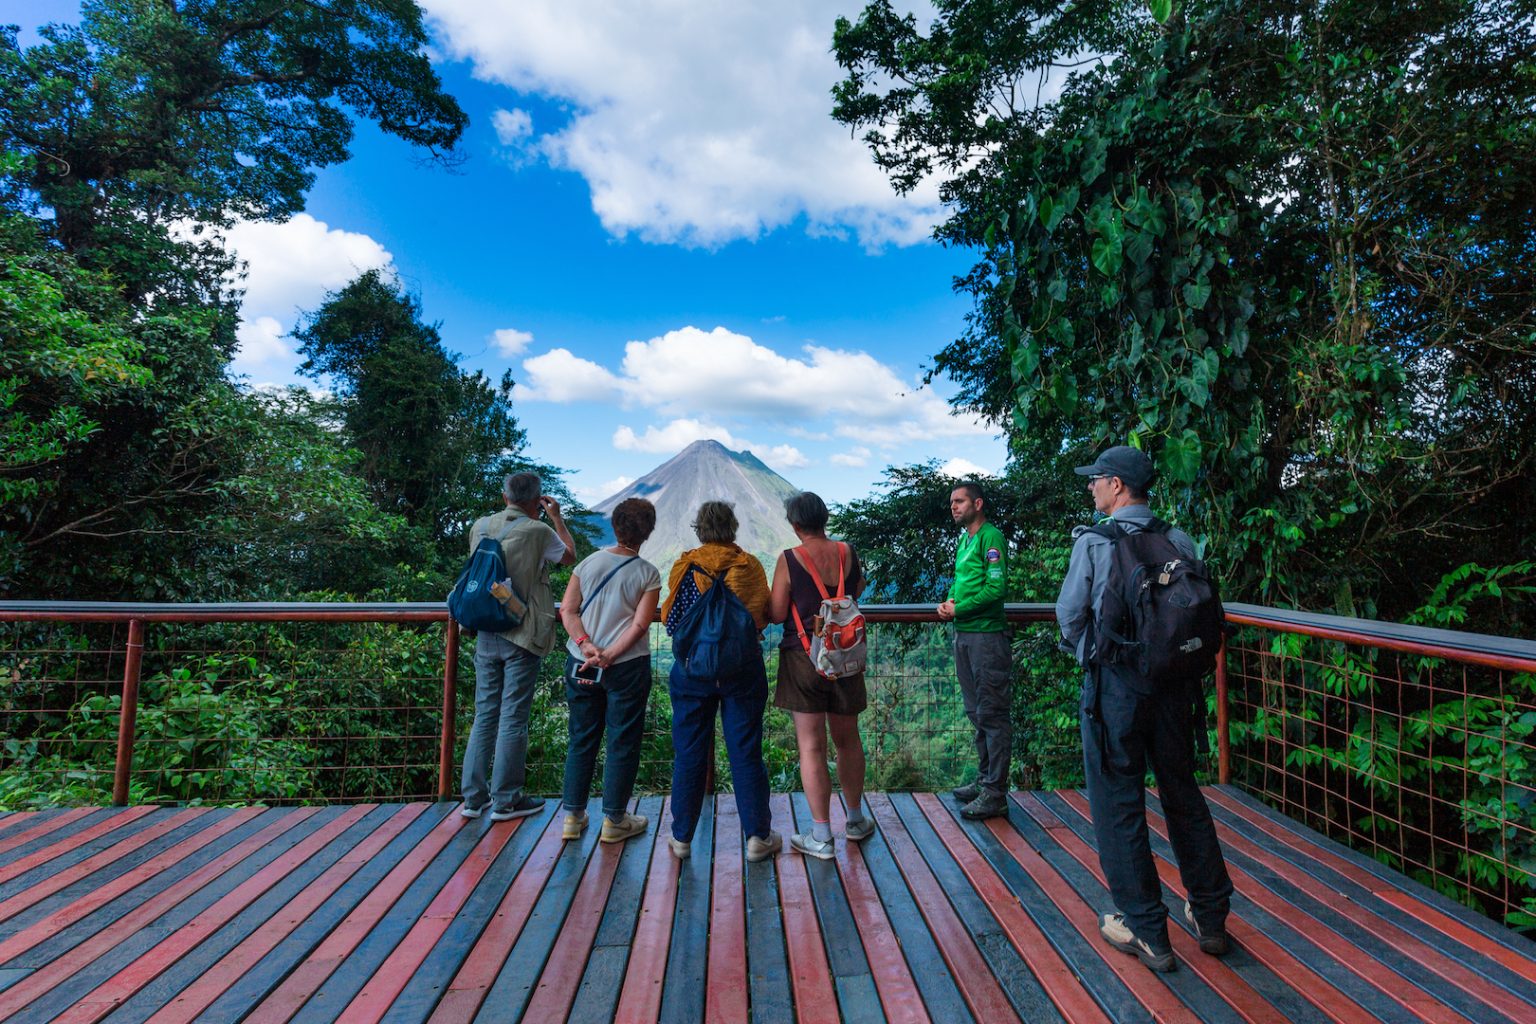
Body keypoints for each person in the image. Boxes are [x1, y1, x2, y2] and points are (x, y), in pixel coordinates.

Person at [1055, 445, 1233, 973]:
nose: (1091, 487)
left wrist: (1098, 659)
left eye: (1096, 479)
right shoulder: (1178, 539)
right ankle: (1211, 917)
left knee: (1119, 802)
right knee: (1183, 794)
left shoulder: (1095, 542)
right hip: (1176, 689)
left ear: (1117, 485)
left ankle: (1147, 929)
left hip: (1117, 692)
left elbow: (1070, 616)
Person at [660, 501, 782, 863]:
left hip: (692, 670)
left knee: (688, 753)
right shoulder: (749, 566)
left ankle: (682, 837)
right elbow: (761, 614)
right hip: (742, 668)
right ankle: (758, 836)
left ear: (699, 529)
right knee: (746, 752)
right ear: (733, 527)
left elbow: (671, 617)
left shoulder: (685, 565)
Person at [461, 471, 576, 821]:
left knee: (485, 713)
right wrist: (556, 518)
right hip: (522, 631)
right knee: (513, 716)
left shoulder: (480, 526)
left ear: (504, 496)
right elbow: (569, 556)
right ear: (537, 501)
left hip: (485, 628)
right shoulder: (538, 530)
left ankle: (473, 799)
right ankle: (507, 800)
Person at [768, 492, 873, 860]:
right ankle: (855, 820)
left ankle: (821, 835)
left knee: (812, 746)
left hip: (804, 659)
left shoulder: (789, 559)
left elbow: (777, 612)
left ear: (796, 524)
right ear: (824, 519)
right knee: (848, 739)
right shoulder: (847, 552)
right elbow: (856, 591)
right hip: (845, 655)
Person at [557, 497, 661, 844]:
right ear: (647, 532)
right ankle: (615, 820)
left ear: (615, 526)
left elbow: (568, 610)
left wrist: (586, 645)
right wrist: (611, 655)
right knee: (622, 741)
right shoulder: (648, 573)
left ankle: (573, 817)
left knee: (581, 738)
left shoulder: (588, 563)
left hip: (580, 662)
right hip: (626, 668)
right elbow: (640, 625)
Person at [936, 481, 1012, 819]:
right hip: (965, 635)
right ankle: (984, 781)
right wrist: (949, 601)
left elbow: (996, 588)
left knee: (992, 714)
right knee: (975, 712)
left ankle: (995, 793)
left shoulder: (990, 537)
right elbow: (961, 580)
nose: (953, 507)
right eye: (952, 502)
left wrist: (960, 609)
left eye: (960, 501)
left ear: (977, 504)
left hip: (987, 637)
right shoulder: (964, 539)